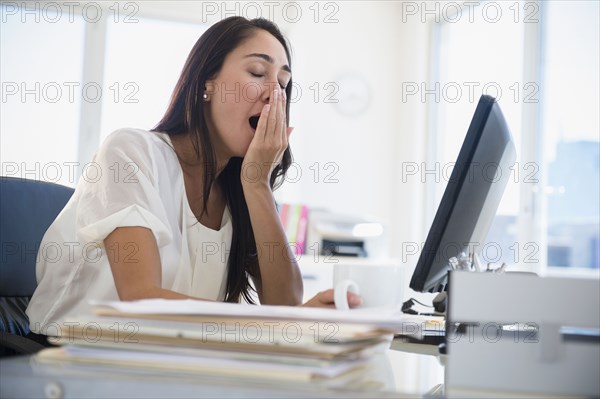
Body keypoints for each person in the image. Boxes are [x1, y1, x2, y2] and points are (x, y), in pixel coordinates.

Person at [26, 17, 361, 337]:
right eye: (258, 72)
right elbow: (140, 300)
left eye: (284, 84)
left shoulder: (243, 189)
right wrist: (275, 322)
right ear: (207, 84)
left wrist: (258, 184)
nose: (275, 94)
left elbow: (286, 306)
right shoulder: (130, 152)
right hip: (73, 360)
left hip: (171, 363)